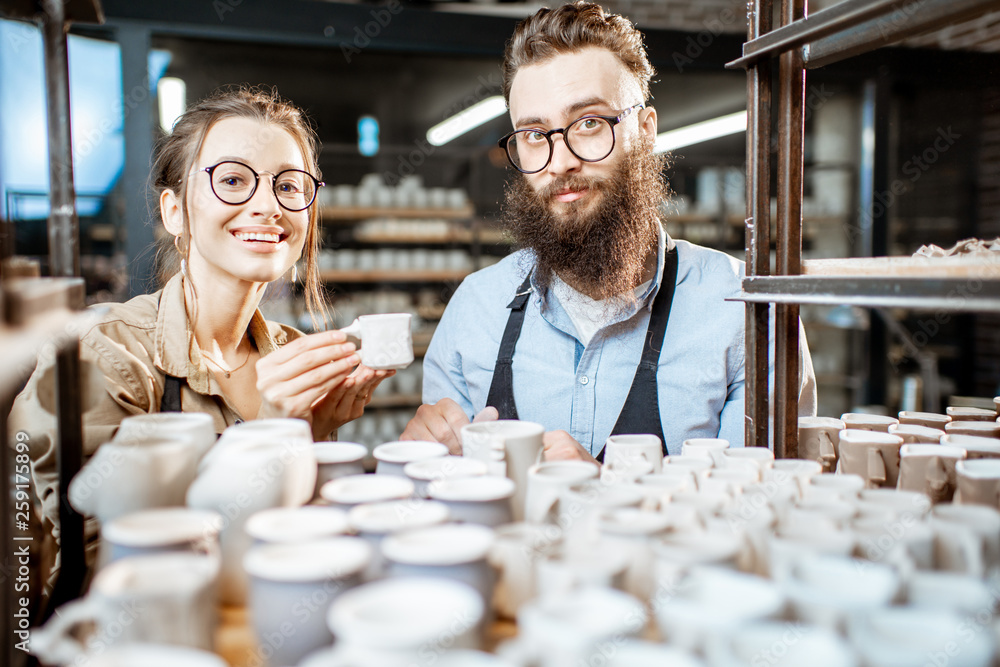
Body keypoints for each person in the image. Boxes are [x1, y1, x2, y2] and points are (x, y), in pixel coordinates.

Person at [401, 2, 816, 462]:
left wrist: (607, 492)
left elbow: (762, 512)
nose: (561, 162)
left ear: (646, 129)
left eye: (590, 123)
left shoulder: (748, 316)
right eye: (535, 134)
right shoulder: (474, 312)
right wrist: (422, 466)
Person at [10, 87, 391, 586]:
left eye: (290, 186)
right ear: (174, 212)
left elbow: (286, 547)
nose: (268, 206)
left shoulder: (293, 350)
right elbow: (102, 579)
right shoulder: (104, 353)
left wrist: (314, 438)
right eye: (233, 179)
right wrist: (272, 438)